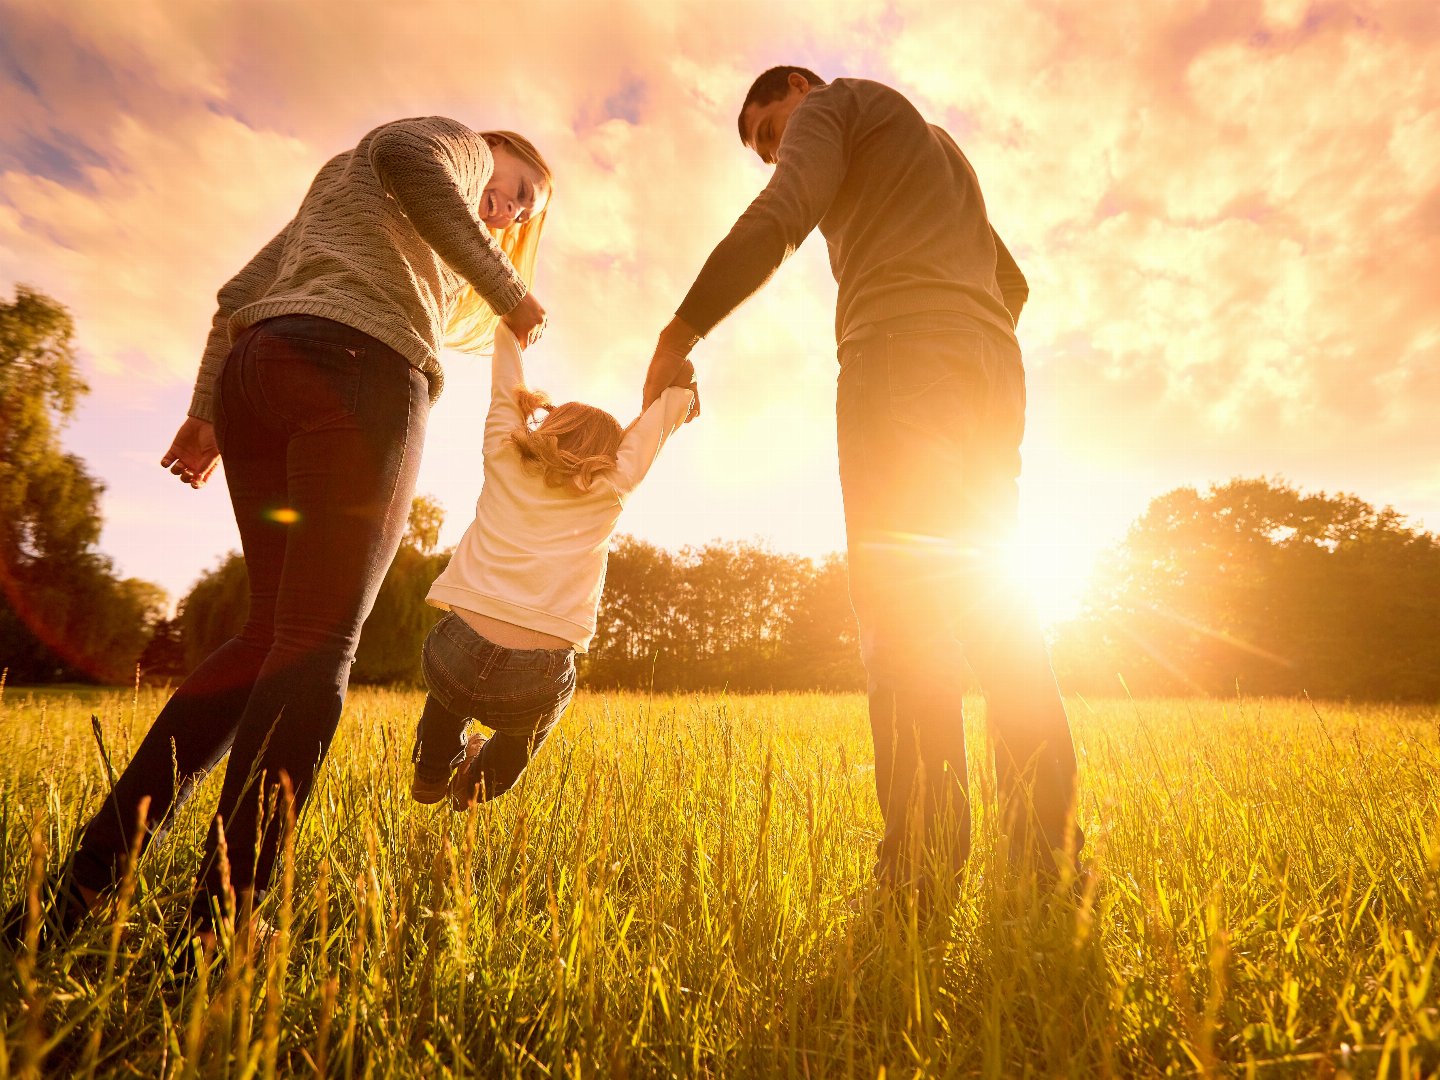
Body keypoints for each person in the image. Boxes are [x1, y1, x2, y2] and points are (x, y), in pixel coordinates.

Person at [2, 117, 554, 957]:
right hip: (361, 370)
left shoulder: (348, 194)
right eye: (517, 188)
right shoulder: (449, 143)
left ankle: (80, 886)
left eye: (523, 214)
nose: (509, 212)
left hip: (258, 375)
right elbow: (411, 156)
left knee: (267, 637)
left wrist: (203, 414)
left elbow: (235, 295)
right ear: (491, 148)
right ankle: (223, 921)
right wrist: (506, 287)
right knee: (319, 643)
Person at [641, 68, 1082, 888]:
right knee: (999, 611)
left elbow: (782, 215)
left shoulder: (836, 105)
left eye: (774, 132)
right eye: (766, 148)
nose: (778, 154)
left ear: (801, 88)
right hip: (991, 369)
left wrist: (681, 333)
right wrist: (960, 330)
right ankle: (1047, 859)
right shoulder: (936, 146)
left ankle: (919, 870)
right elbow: (1011, 281)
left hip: (901, 360)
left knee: (904, 613)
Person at [410, 326, 696, 810]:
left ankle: (433, 770)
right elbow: (657, 426)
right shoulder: (613, 486)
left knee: (449, 694)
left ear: (549, 427)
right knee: (525, 733)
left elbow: (505, 387)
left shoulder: (504, 453)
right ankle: (477, 785)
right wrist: (677, 391)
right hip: (535, 674)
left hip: (456, 649)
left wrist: (509, 330)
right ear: (611, 455)